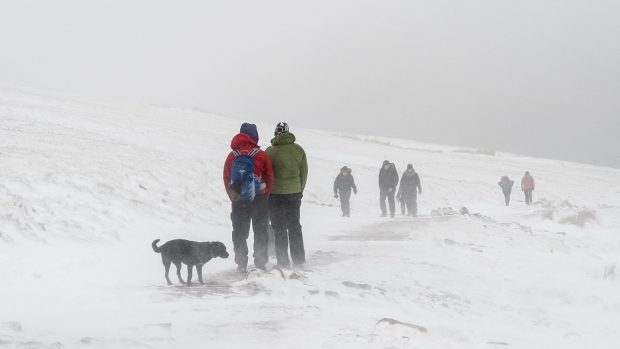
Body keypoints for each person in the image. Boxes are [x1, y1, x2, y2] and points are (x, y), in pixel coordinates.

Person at [223, 123, 274, 272]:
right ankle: (260, 262)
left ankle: (241, 262)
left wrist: (233, 196)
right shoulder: (261, 154)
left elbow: (226, 178)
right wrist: (265, 192)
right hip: (259, 199)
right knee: (260, 230)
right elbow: (270, 177)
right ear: (254, 136)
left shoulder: (232, 156)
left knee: (239, 231)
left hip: (239, 200)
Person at [266, 122, 308, 269]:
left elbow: (267, 174)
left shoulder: (270, 151)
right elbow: (304, 173)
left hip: (276, 195)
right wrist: (299, 190)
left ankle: (283, 262)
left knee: (279, 228)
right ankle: (299, 260)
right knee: (295, 226)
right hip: (294, 194)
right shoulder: (299, 150)